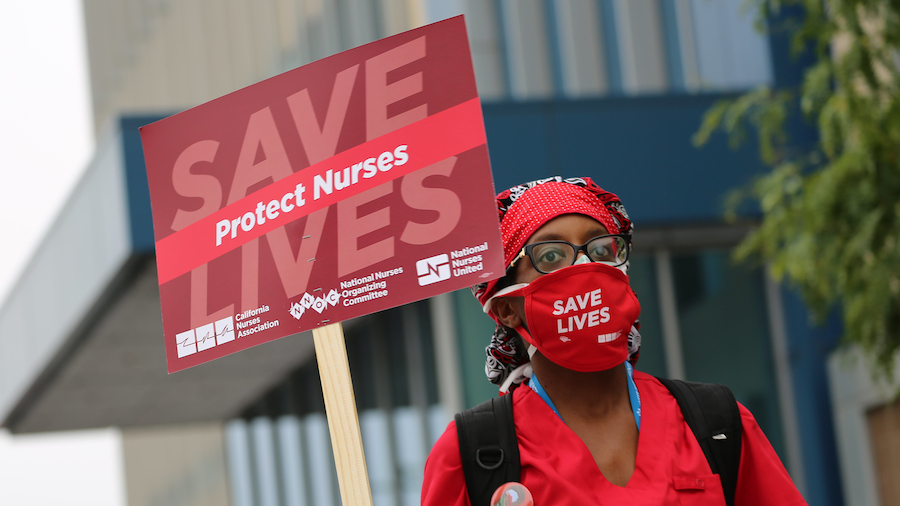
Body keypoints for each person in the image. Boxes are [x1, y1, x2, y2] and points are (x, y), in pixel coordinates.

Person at [421, 176, 807, 506]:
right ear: (506, 308)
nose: (586, 267)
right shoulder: (472, 454)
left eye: (601, 249)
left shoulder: (716, 423)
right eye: (552, 255)